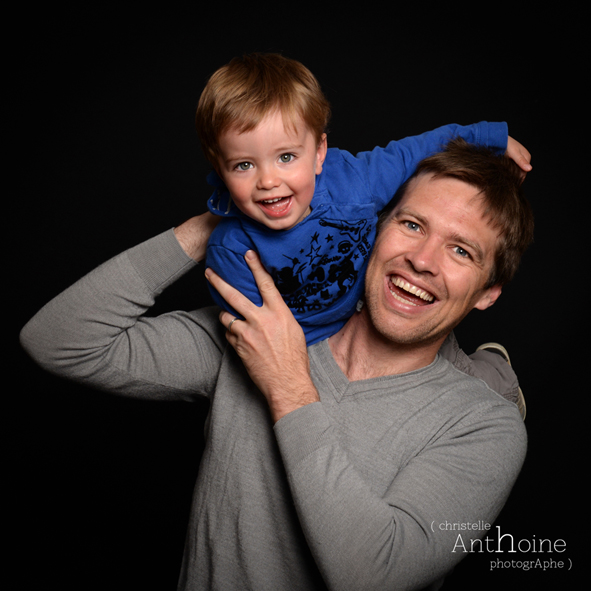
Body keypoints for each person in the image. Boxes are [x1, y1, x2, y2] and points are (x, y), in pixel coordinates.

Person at [20, 138, 533, 590]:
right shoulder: (259, 329)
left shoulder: (485, 426)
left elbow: (375, 575)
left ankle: (490, 362)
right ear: (376, 227)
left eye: (461, 251)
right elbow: (59, 341)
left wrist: (287, 384)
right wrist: (223, 221)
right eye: (412, 224)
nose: (422, 259)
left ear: (488, 293)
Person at [198, 52, 531, 412]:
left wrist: (488, 136)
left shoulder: (352, 182)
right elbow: (263, 335)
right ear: (221, 171)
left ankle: (498, 372)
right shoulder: (231, 251)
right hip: (318, 338)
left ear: (319, 152)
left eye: (286, 157)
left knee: (452, 372)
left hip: (375, 300)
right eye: (244, 165)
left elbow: (411, 152)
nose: (268, 181)